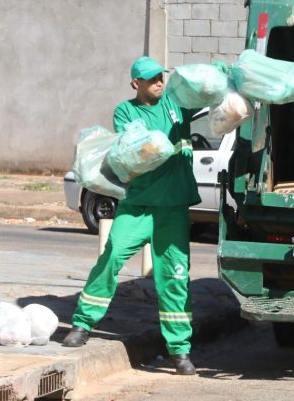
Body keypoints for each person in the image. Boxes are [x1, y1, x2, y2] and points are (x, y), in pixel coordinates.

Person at [62, 56, 201, 376]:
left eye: (160, 77)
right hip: (137, 205)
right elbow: (135, 146)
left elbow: (207, 97)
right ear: (135, 83)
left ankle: (179, 351)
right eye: (151, 79)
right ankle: (82, 325)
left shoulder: (177, 105)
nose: (159, 83)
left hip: (174, 207)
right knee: (111, 258)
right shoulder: (125, 111)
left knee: (175, 277)